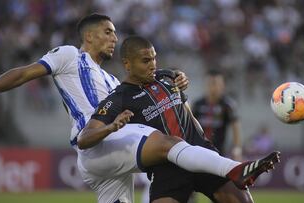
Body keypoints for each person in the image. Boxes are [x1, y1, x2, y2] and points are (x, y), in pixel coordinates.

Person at [0, 14, 277, 203]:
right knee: (169, 145)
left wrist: (176, 85)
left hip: (114, 150)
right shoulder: (69, 55)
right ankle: (232, 168)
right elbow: (25, 72)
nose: (114, 37)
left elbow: (156, 106)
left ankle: (212, 171)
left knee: (166, 146)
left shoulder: (113, 82)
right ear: (90, 36)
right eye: (108, 32)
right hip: (97, 143)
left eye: (115, 34)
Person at [81, 35, 280, 203]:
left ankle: (234, 169)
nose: (153, 65)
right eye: (145, 61)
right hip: (167, 169)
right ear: (127, 64)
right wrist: (112, 127)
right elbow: (84, 138)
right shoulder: (119, 98)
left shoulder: (167, 77)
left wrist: (204, 140)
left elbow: (187, 113)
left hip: (202, 155)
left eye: (154, 59)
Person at [191, 69, 242, 160]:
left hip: (219, 153)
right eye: (210, 83)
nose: (213, 87)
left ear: (222, 86)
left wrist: (237, 149)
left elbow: (235, 128)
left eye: (215, 83)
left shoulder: (228, 105)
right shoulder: (197, 104)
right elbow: (190, 125)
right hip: (198, 151)